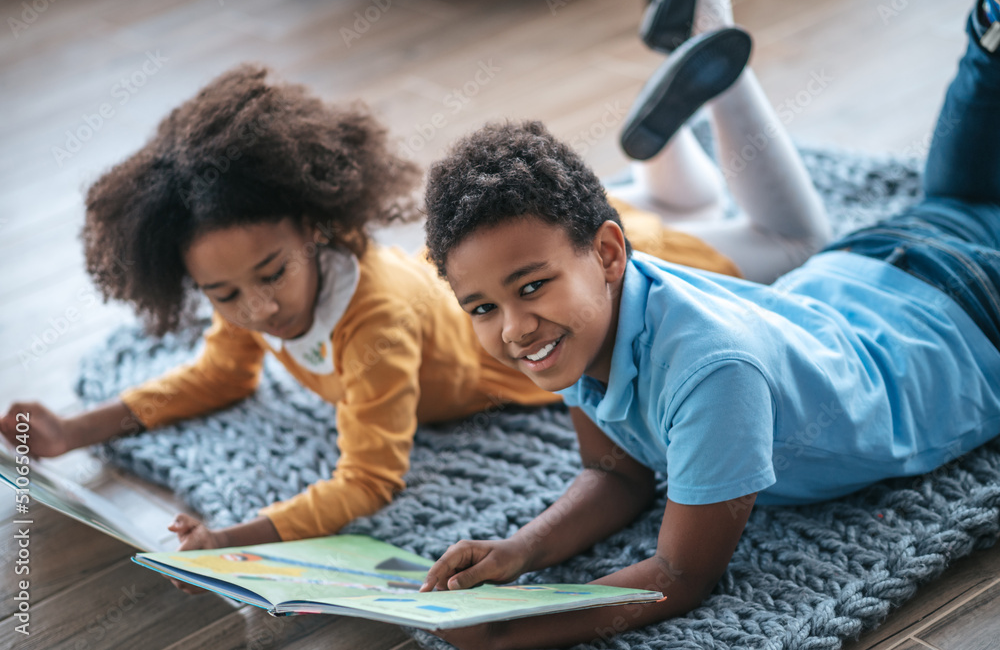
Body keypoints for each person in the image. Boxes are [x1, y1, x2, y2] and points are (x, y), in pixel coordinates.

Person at [416, 0, 1000, 647]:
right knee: (961, 196)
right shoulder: (574, 336)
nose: (515, 326)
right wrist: (518, 550)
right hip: (868, 267)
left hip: (969, 321)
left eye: (531, 286)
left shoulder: (710, 372)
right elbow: (616, 473)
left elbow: (680, 573)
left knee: (971, 199)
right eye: (484, 307)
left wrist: (514, 630)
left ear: (608, 252)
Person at [0, 62, 747, 573]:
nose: (258, 308)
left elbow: (367, 479)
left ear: (315, 229)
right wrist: (73, 430)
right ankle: (679, 107)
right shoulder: (251, 286)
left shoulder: (375, 324)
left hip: (638, 265)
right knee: (688, 198)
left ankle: (717, 71)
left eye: (272, 276)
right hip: (573, 254)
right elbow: (222, 372)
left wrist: (232, 537)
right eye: (225, 296)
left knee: (772, 240)